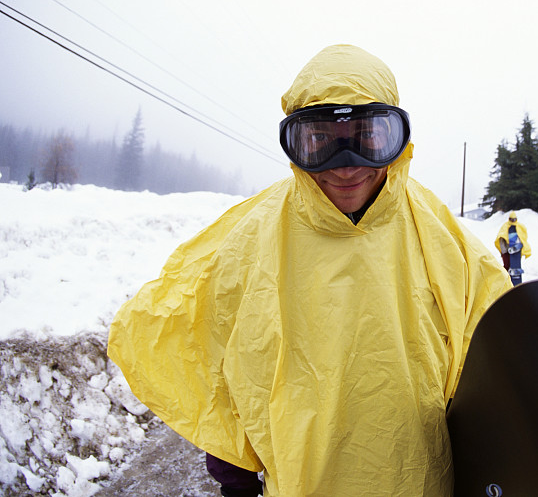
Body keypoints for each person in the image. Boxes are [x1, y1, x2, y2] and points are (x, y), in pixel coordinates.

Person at [107, 44, 512, 496]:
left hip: (418, 480)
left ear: (395, 136)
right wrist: (234, 476)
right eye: (319, 140)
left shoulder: (439, 237)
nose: (346, 166)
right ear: (295, 144)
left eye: (368, 136)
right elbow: (211, 355)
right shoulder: (250, 238)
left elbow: (497, 351)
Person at [494, 211, 531, 285]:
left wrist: (520, 249)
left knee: (514, 265)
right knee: (507, 267)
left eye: (514, 220)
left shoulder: (519, 227)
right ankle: (505, 283)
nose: (513, 221)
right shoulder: (505, 227)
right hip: (506, 252)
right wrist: (504, 251)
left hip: (515, 253)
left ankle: (514, 282)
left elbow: (522, 238)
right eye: (511, 219)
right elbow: (501, 239)